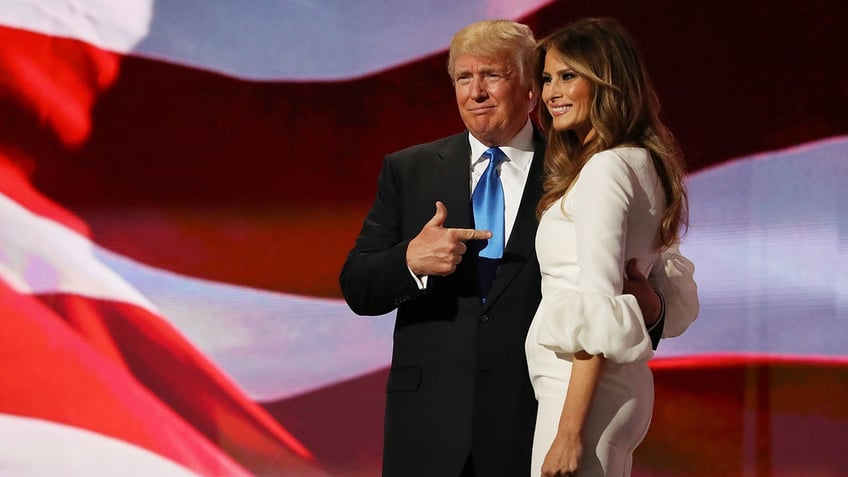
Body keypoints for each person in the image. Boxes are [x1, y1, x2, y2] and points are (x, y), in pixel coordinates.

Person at [339, 19, 697, 477]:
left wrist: (653, 312)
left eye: (492, 75)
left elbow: (635, 276)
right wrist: (409, 261)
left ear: (531, 89)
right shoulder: (409, 170)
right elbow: (356, 284)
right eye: (463, 78)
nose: (476, 92)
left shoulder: (575, 166)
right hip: (427, 427)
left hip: (532, 417)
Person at [525, 17, 696, 477]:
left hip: (582, 395)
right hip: (608, 392)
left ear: (607, 82)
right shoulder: (641, 162)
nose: (551, 93)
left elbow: (597, 307)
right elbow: (649, 290)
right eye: (546, 79)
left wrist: (568, 434)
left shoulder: (605, 169)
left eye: (568, 76)